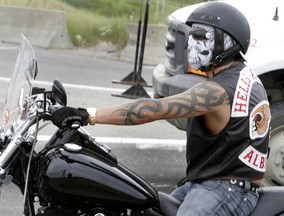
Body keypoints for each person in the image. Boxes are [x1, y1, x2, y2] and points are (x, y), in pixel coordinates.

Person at [51, 2, 271, 215]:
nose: (190, 43)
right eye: (191, 35)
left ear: (226, 41)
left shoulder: (218, 92)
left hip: (225, 190)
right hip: (216, 181)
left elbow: (155, 108)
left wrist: (88, 115)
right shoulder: (243, 76)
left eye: (200, 36)